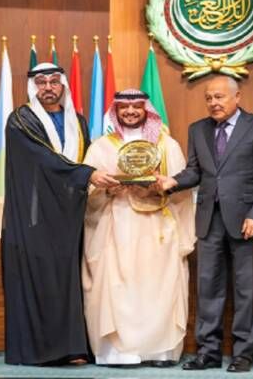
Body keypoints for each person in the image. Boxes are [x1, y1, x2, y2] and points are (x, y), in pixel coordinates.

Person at [159, 75, 253, 372]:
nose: (213, 103)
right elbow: (195, 171)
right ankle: (208, 352)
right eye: (209, 98)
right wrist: (174, 181)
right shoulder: (198, 129)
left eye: (220, 97)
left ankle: (243, 354)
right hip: (208, 220)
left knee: (247, 289)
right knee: (208, 287)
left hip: (246, 220)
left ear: (237, 97)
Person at [1, 62, 118, 365]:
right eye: (41, 82)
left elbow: (86, 155)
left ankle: (73, 348)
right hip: (35, 215)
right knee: (42, 279)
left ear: (63, 85)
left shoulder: (77, 121)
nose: (48, 88)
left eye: (54, 81)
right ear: (33, 87)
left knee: (69, 280)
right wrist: (87, 174)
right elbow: (44, 159)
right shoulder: (20, 120)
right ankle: (41, 351)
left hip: (70, 213)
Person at [82, 89, 195, 366]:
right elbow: (86, 191)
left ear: (147, 110)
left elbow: (182, 189)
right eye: (124, 107)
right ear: (116, 111)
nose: (130, 111)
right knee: (117, 287)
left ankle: (159, 351)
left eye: (136, 106)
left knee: (157, 287)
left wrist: (163, 187)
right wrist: (106, 189)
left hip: (158, 228)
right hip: (114, 227)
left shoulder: (167, 146)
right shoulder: (101, 146)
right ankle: (116, 353)